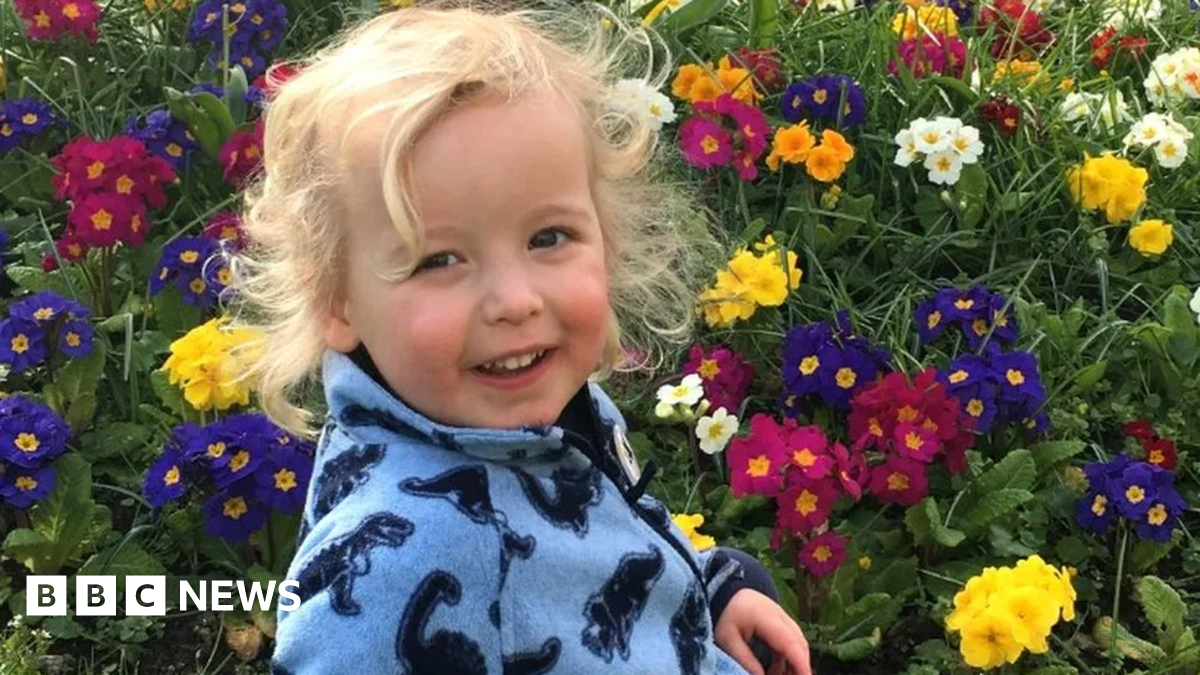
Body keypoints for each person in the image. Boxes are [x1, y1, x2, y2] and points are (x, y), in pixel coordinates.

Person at [232, 3, 813, 674]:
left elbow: (597, 546)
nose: (515, 300)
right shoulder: (413, 553)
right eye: (439, 259)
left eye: (549, 237)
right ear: (336, 299)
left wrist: (707, 592)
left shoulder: (520, 410)